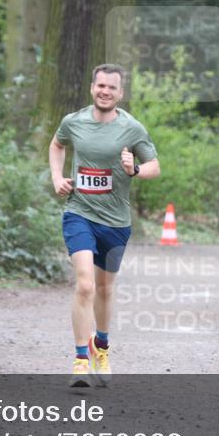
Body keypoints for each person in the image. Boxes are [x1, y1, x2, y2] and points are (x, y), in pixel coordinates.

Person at [49, 64, 160, 387]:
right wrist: (57, 177)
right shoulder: (73, 122)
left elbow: (155, 166)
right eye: (101, 86)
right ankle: (81, 360)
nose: (105, 92)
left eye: (112, 87)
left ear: (120, 93)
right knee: (85, 285)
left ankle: (102, 345)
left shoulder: (132, 128)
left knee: (105, 288)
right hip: (79, 213)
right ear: (92, 88)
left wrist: (135, 169)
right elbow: (57, 145)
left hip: (115, 222)